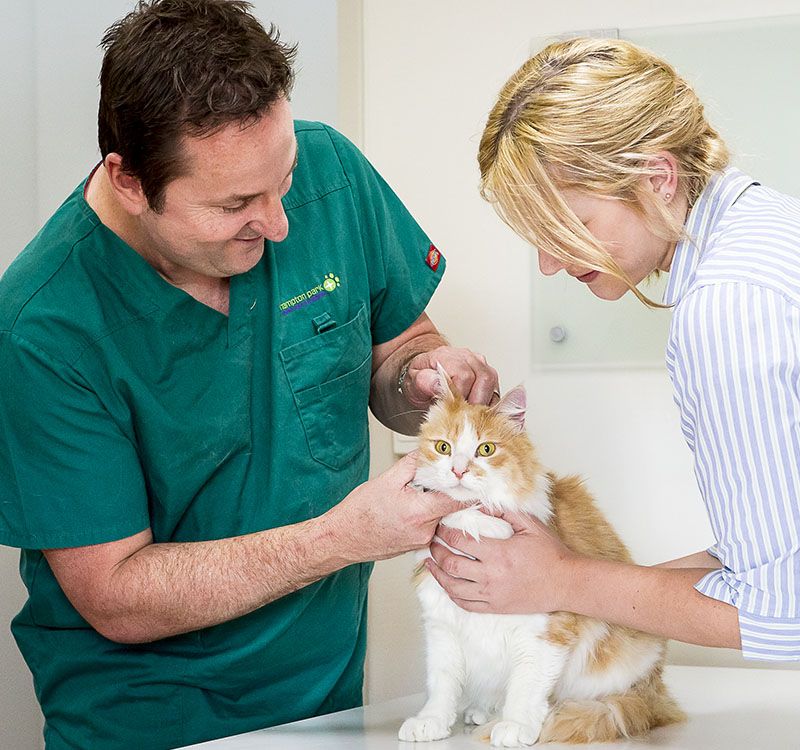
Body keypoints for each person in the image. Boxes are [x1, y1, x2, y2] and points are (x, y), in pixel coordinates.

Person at [425, 38, 800, 750]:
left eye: (570, 227)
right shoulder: (775, 235)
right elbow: (791, 553)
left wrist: (561, 581)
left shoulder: (731, 306)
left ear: (656, 176)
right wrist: (563, 584)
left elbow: (778, 617)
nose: (551, 263)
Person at [0, 1, 499, 748]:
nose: (279, 223)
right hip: (148, 719)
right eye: (235, 204)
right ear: (130, 181)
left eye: (283, 179)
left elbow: (401, 348)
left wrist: (421, 377)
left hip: (330, 702)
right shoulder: (43, 327)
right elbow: (117, 595)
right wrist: (341, 538)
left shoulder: (330, 172)